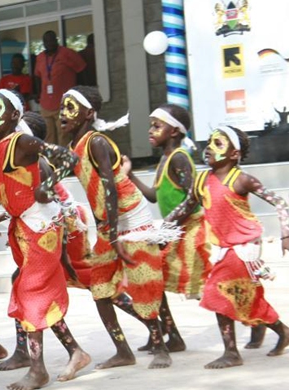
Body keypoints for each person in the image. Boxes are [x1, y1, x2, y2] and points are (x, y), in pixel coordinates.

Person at [38, 86, 176, 370]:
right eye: (62, 107)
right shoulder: (73, 148)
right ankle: (123, 351)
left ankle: (161, 346)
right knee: (100, 289)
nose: (63, 113)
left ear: (89, 113)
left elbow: (110, 187)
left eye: (70, 108)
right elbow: (77, 187)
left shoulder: (97, 142)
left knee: (142, 282)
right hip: (108, 224)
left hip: (130, 219)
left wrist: (112, 234)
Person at [0, 89, 91, 390]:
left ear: (15, 115)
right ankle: (76, 352)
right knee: (34, 292)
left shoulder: (23, 142)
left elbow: (68, 157)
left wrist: (47, 186)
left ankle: (38, 369)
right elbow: (3, 185)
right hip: (23, 226)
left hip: (42, 226)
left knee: (30, 291)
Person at [169, 126, 289, 368]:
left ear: (234, 154)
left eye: (218, 143)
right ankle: (282, 331)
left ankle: (231, 352)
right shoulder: (202, 180)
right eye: (209, 142)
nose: (209, 148)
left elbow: (279, 201)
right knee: (246, 298)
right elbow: (185, 208)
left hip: (244, 247)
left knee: (217, 292)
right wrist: (162, 229)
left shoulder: (242, 179)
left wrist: (286, 233)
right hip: (224, 248)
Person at [121, 104, 210, 353]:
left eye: (157, 126)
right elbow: (153, 196)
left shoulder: (179, 157)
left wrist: (167, 226)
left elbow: (194, 196)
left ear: (174, 131)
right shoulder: (166, 159)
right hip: (174, 229)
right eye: (151, 125)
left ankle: (259, 319)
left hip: (190, 230)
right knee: (154, 281)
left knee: (207, 285)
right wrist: (130, 175)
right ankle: (171, 335)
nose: (151, 130)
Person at [34, 31, 86, 146]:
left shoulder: (67, 53)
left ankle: (65, 156)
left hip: (64, 103)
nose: (49, 43)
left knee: (64, 134)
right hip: (46, 103)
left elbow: (82, 69)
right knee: (48, 135)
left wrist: (81, 91)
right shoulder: (40, 57)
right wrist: (37, 93)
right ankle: (51, 157)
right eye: (46, 41)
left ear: (56, 40)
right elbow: (37, 76)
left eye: (51, 40)